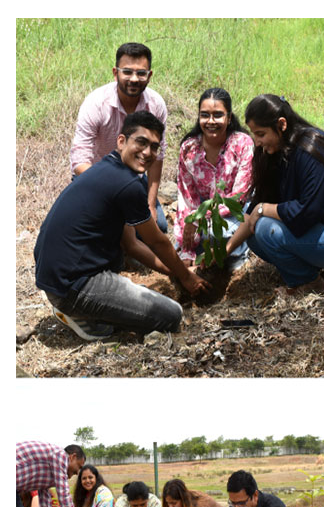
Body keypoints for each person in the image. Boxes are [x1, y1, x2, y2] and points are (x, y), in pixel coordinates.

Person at [35, 111, 209, 340]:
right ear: (121, 141)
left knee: (118, 258)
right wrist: (186, 277)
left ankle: (86, 307)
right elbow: (157, 241)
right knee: (172, 315)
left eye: (154, 147)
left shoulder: (109, 168)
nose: (147, 153)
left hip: (55, 279)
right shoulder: (127, 184)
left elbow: (131, 244)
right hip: (72, 288)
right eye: (141, 142)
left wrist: (176, 271)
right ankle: (83, 315)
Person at [229, 94, 324, 295]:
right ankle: (313, 267)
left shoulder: (313, 150)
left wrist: (263, 209)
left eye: (261, 134)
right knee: (254, 235)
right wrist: (226, 250)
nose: (257, 142)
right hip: (322, 228)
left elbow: (305, 213)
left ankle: (307, 282)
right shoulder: (274, 152)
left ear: (281, 125)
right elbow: (253, 212)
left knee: (266, 228)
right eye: (254, 134)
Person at [70, 42, 169, 245]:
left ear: (149, 76)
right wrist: (114, 192)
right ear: (115, 73)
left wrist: (150, 203)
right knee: (100, 229)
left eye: (141, 73)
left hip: (133, 177)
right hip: (95, 177)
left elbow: (157, 157)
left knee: (159, 227)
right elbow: (79, 160)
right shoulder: (96, 103)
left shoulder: (156, 105)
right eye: (127, 72)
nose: (134, 79)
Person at [174, 88, 254, 267]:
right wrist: (189, 232)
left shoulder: (242, 144)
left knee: (221, 233)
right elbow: (186, 197)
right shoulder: (189, 149)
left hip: (232, 213)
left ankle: (235, 253)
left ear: (229, 117)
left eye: (218, 115)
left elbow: (238, 198)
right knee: (185, 237)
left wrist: (198, 217)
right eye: (205, 115)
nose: (211, 121)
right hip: (198, 214)